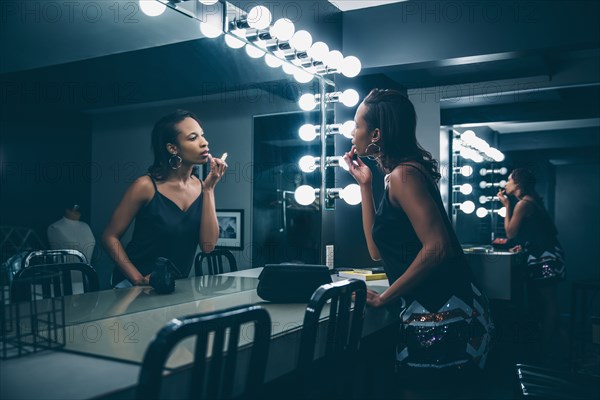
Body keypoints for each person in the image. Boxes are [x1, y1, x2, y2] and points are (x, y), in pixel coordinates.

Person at [343, 89, 494, 395]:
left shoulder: (404, 175)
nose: (351, 131)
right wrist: (365, 187)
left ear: (375, 134)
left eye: (356, 125)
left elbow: (437, 247)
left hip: (446, 314)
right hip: (433, 312)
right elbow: (376, 252)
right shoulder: (397, 177)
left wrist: (385, 299)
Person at [102, 110, 227, 288]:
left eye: (202, 135)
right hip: (131, 287)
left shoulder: (202, 188)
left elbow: (208, 247)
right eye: (193, 137)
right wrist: (137, 279)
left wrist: (209, 189)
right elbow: (109, 237)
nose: (204, 142)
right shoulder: (144, 186)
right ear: (172, 148)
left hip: (172, 287)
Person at [497, 168, 566, 366]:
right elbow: (537, 231)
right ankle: (555, 345)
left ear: (518, 183)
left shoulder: (523, 204)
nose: (506, 183)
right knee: (546, 302)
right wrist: (526, 244)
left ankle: (544, 353)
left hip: (545, 258)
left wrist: (507, 205)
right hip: (547, 255)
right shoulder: (531, 201)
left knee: (548, 302)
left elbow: (510, 233)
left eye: (509, 180)